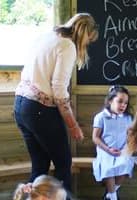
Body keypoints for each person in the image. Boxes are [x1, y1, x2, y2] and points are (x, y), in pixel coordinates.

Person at [13, 13, 98, 192]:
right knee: (63, 164)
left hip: (21, 105)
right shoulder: (67, 46)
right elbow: (59, 90)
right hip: (40, 110)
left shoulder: (46, 37)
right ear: (83, 34)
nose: (87, 46)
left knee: (39, 165)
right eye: (88, 41)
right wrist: (73, 125)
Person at [92, 85, 135, 200]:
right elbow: (95, 137)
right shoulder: (101, 117)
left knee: (125, 164)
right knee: (108, 166)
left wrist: (135, 150)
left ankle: (110, 194)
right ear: (110, 100)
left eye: (125, 103)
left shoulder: (128, 118)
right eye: (120, 101)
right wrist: (108, 149)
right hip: (105, 150)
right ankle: (113, 197)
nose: (123, 105)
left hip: (122, 150)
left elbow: (131, 137)